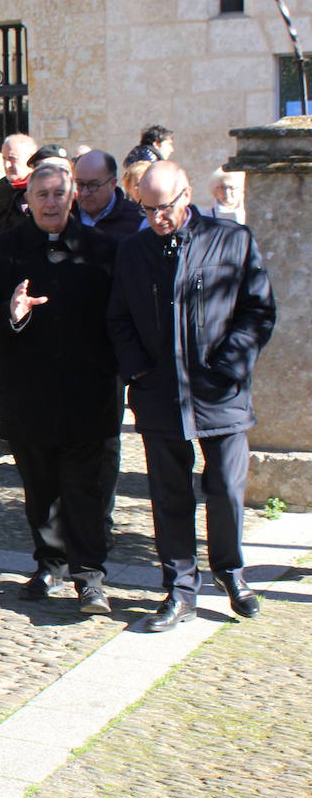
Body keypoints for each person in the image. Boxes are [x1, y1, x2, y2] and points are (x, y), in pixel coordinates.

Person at [108, 161, 276, 632]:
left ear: (187, 194)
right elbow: (118, 318)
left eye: (166, 206)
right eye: (148, 208)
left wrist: (231, 366)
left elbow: (258, 309)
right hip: (160, 392)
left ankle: (231, 572)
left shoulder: (232, 240)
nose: (159, 217)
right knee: (169, 495)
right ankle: (180, 588)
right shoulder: (135, 251)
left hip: (221, 391)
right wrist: (139, 368)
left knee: (225, 488)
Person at [0, 162, 122, 613]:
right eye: (42, 195)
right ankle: (49, 564)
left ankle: (89, 576)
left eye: (59, 194)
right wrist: (10, 313)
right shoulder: (1, 251)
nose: (51, 203)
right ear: (27, 201)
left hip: (88, 390)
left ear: (72, 198)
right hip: (28, 389)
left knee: (85, 486)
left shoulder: (102, 250)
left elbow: (119, 317)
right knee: (40, 486)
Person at [72, 150, 144, 243]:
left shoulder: (137, 221)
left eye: (93, 185)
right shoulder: (64, 215)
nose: (85, 193)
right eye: (80, 184)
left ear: (112, 183)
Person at [0, 134, 37, 244]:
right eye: (4, 158)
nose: (7, 165)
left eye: (12, 159)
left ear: (31, 158)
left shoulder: (40, 188)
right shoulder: (0, 188)